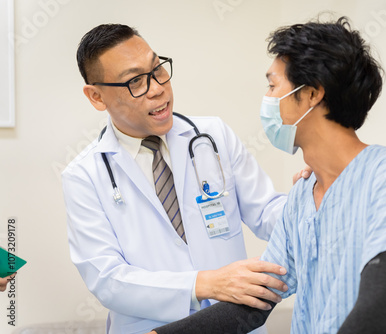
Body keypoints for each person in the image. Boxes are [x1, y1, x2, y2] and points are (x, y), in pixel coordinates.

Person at [150, 16, 386, 334]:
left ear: (311, 94)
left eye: (272, 85)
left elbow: (377, 313)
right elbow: (255, 303)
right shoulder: (303, 196)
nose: (267, 99)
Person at [62, 24, 292, 334]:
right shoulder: (84, 175)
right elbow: (107, 279)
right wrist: (206, 284)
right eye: (135, 82)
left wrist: (314, 196)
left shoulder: (213, 136)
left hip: (235, 326)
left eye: (157, 69)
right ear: (96, 97)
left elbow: (266, 211)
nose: (157, 88)